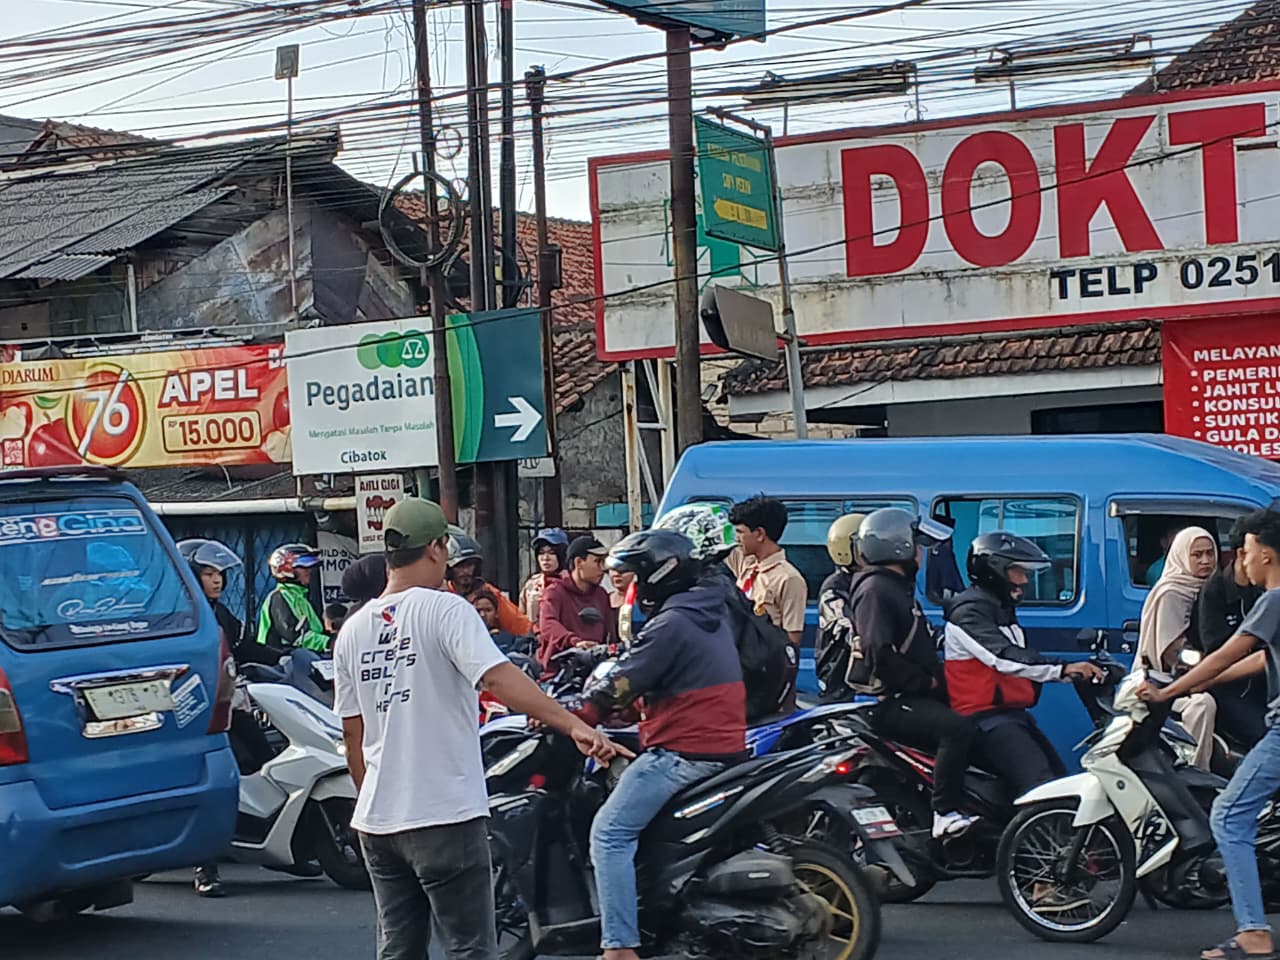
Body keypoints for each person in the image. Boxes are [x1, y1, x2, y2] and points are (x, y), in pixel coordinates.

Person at [333, 498, 631, 960]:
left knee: (398, 948)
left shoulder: (353, 631)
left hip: (377, 821)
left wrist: (374, 800)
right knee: (469, 948)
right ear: (434, 549)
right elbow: (495, 676)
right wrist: (574, 724)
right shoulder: (446, 610)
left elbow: (353, 735)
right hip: (443, 815)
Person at [583, 529, 747, 960]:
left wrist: (580, 716)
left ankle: (619, 947)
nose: (632, 586)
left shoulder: (671, 624)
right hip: (720, 743)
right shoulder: (707, 612)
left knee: (608, 833)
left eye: (637, 576)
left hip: (685, 754)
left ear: (659, 575)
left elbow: (620, 683)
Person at [1137, 509, 1280, 960]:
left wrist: (1167, 694)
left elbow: (1223, 656)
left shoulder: (1273, 601)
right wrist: (1199, 683)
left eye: (1248, 550)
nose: (1242, 559)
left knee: (1228, 817)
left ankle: (1253, 932)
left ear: (1269, 554)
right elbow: (1259, 661)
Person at [943, 532, 1104, 796]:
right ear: (994, 570)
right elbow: (1003, 657)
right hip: (985, 717)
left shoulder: (1000, 607)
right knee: (1041, 786)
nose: (1025, 580)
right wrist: (1062, 668)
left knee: (1059, 780)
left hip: (1011, 714)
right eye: (1017, 572)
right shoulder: (969, 612)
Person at [853, 508, 980, 839]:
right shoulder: (876, 590)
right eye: (917, 545)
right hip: (889, 700)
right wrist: (925, 682)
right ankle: (944, 812)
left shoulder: (896, 588)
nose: (921, 553)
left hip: (908, 694)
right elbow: (878, 651)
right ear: (900, 548)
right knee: (957, 730)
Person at [178, 538, 251, 899]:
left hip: (227, 706)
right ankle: (204, 866)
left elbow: (245, 644)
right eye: (208, 573)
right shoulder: (182, 614)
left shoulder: (219, 612)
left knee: (257, 751)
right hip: (195, 717)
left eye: (219, 573)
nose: (217, 580)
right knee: (211, 781)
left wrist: (289, 657)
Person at [1138, 525, 1220, 769]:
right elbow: (1175, 652)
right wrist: (1212, 665)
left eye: (1210, 553)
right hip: (1165, 681)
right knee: (1202, 705)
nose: (1205, 561)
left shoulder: (1215, 588)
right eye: (1197, 555)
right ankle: (1195, 770)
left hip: (1203, 674)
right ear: (1182, 555)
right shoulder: (1171, 592)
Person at [1197, 519, 1267, 748]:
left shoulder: (1266, 589)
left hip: (1265, 684)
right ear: (1242, 553)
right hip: (1229, 687)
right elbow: (1217, 654)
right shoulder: (1215, 590)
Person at [727, 495, 807, 649]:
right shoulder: (747, 564)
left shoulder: (788, 579)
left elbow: (792, 639)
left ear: (759, 534)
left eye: (740, 532)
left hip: (763, 664)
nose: (736, 539)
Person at [537, 535, 618, 672]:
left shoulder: (602, 595)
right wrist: (575, 642)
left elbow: (611, 637)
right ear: (579, 562)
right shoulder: (555, 592)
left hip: (596, 672)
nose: (603, 569)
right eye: (597, 561)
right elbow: (547, 625)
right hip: (559, 674)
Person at [815, 512, 866, 702]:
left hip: (862, 680)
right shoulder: (835, 587)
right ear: (846, 549)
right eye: (862, 545)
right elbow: (842, 624)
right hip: (839, 679)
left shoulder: (869, 581)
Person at [445, 531, 533, 637]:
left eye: (469, 565)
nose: (466, 571)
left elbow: (522, 627)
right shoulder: (442, 594)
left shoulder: (489, 593)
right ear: (449, 569)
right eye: (460, 566)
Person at [256, 543, 330, 660]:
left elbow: (317, 630)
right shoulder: (278, 598)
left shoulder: (301, 597)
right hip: (279, 666)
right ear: (286, 569)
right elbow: (294, 637)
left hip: (304, 660)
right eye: (303, 566)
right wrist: (329, 643)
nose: (309, 571)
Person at [520, 527, 569, 625]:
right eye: (541, 553)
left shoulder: (571, 583)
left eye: (552, 553)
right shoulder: (532, 584)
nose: (545, 558)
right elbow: (521, 617)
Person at [473, 589, 531, 656]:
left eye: (488, 610)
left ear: (496, 613)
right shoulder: (464, 640)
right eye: (478, 610)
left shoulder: (511, 641)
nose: (482, 614)